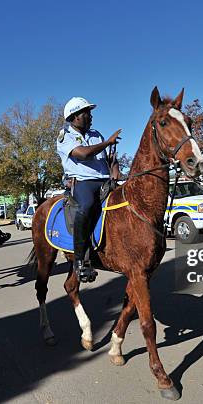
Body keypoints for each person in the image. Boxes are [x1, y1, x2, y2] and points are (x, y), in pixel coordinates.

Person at [57, 96, 121, 283]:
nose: (90, 116)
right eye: (86, 113)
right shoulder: (65, 136)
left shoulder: (96, 135)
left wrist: (115, 170)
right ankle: (80, 261)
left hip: (104, 180)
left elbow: (110, 160)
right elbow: (83, 154)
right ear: (75, 116)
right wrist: (108, 142)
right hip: (83, 183)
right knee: (86, 206)